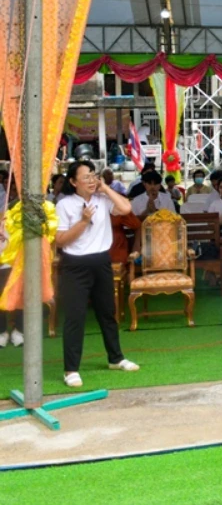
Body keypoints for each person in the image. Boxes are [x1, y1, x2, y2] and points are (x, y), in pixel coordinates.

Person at [54, 160, 139, 388]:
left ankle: (116, 358)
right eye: (86, 177)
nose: (91, 180)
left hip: (101, 260)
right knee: (75, 317)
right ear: (73, 182)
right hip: (75, 265)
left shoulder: (103, 199)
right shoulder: (65, 205)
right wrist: (83, 222)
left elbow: (126, 209)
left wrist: (106, 189)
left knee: (107, 312)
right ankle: (71, 369)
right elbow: (60, 240)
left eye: (93, 175)